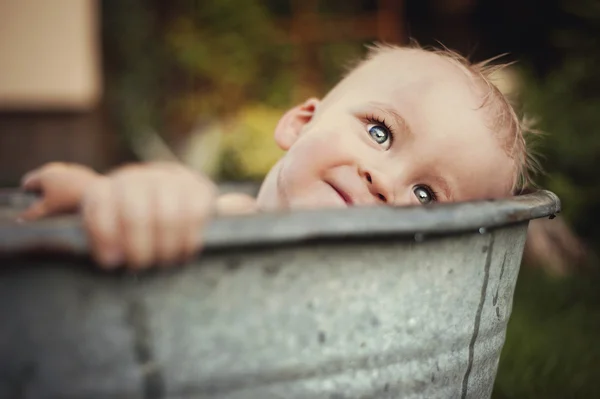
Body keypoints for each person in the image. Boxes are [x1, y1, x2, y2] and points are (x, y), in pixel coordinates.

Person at [17, 43, 538, 270]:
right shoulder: (223, 217)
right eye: (380, 133)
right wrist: (100, 195)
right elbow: (156, 217)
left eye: (427, 196)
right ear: (301, 122)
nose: (384, 181)